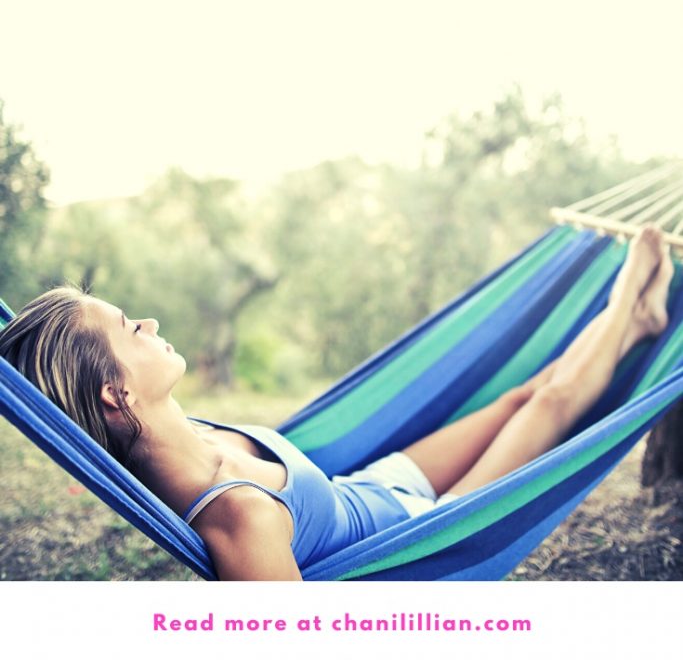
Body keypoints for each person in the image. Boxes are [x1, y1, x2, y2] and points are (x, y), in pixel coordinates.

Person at [0, 226, 674, 580]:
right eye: (127, 330)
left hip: (375, 486)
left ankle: (633, 324)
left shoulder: (179, 430)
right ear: (116, 395)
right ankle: (624, 306)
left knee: (519, 395)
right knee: (547, 402)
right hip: (421, 530)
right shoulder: (236, 519)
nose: (145, 324)